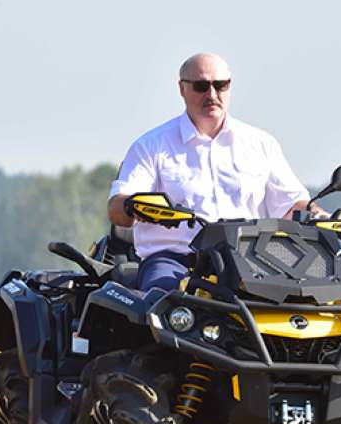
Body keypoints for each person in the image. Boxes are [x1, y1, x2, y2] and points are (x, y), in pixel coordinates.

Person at [107, 52, 328, 292]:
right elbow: (117, 207)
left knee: (312, 300)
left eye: (220, 85)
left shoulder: (261, 144)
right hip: (176, 261)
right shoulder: (151, 145)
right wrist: (132, 206)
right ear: (182, 88)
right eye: (201, 86)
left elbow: (292, 204)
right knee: (163, 301)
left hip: (252, 261)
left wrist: (317, 214)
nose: (212, 95)